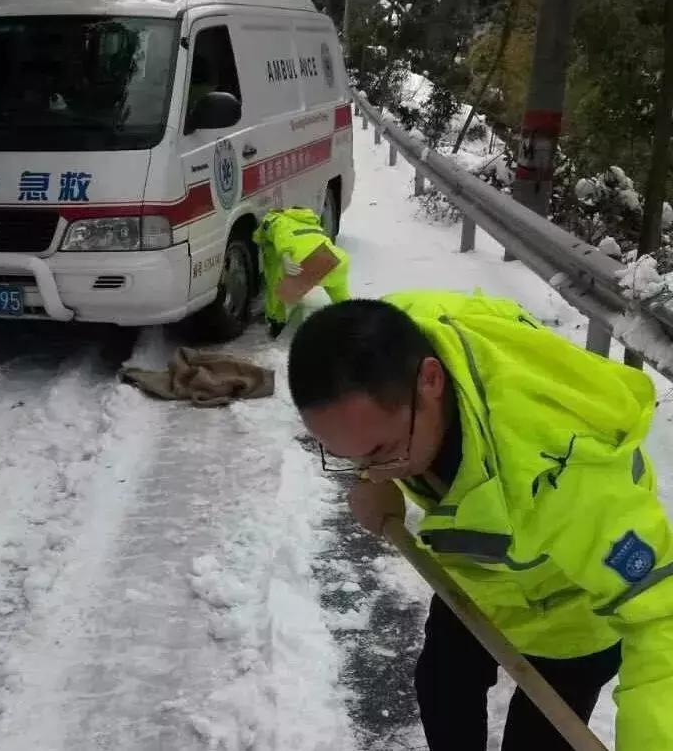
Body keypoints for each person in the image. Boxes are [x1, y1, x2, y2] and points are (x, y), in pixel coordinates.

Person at [287, 288, 673, 751]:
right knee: (442, 694)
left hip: (572, 614)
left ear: (430, 382)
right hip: (478, 578)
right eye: (352, 457)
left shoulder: (559, 477)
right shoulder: (407, 334)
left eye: (381, 452)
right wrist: (375, 475)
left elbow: (661, 617)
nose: (371, 469)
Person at [253, 206, 350, 338]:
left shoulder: (275, 219)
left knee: (278, 290)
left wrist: (285, 256)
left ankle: (276, 323)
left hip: (307, 262)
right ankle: (355, 323)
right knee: (342, 300)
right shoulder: (310, 222)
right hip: (338, 258)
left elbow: (281, 236)